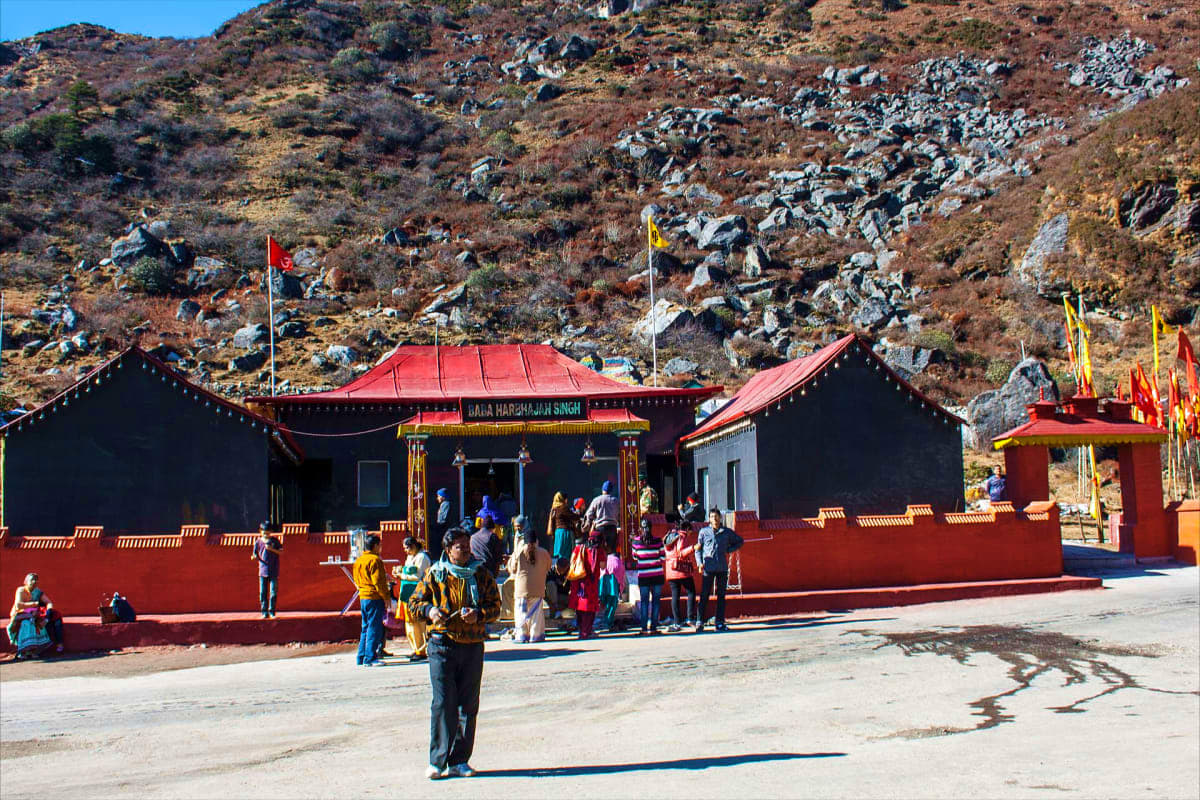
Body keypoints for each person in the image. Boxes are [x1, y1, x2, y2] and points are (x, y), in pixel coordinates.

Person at [408, 527, 502, 780]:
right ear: (448, 550)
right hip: (442, 645)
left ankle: (460, 760)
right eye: (460, 546)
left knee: (468, 704)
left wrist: (479, 615)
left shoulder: (481, 574)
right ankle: (437, 761)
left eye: (467, 545)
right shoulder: (435, 574)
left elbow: (495, 607)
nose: (466, 550)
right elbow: (414, 604)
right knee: (443, 703)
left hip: (472, 645)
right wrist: (430, 611)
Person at [695, 508, 744, 633]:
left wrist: (729, 550)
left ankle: (719, 622)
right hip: (708, 567)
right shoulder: (703, 532)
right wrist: (700, 563)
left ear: (720, 518)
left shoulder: (726, 532)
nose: (714, 519)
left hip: (722, 567)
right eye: (712, 517)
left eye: (716, 516)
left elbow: (740, 541)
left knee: (721, 596)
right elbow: (698, 549)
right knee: (704, 595)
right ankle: (700, 621)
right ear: (709, 519)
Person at [506, 524, 551, 643]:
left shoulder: (519, 552)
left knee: (521, 614)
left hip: (522, 590)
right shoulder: (544, 552)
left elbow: (512, 569)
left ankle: (521, 635)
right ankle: (535, 636)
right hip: (538, 588)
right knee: (536, 615)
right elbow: (548, 567)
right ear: (537, 540)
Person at [352, 534, 391, 667]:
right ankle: (370, 657)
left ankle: (361, 656)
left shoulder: (359, 560)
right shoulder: (375, 560)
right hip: (374, 597)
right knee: (374, 627)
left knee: (365, 627)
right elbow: (378, 582)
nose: (380, 548)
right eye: (379, 545)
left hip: (363, 596)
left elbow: (356, 579)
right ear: (375, 546)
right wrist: (386, 597)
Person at [395, 537, 433, 662]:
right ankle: (414, 648)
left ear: (414, 546)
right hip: (407, 593)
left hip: (418, 593)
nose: (406, 550)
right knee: (409, 623)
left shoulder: (422, 557)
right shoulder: (411, 557)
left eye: (407, 547)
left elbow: (418, 576)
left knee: (418, 623)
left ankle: (421, 649)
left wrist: (401, 575)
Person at [7, 573, 62, 656]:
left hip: (34, 615)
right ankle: (23, 650)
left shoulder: (38, 591)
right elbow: (18, 605)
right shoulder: (21, 590)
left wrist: (48, 612)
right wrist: (34, 604)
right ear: (25, 581)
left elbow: (49, 602)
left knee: (39, 624)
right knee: (26, 624)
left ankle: (34, 651)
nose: (34, 581)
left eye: (36, 580)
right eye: (32, 579)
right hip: (20, 615)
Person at [632, 518, 665, 635]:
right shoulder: (658, 541)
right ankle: (654, 627)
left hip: (644, 575)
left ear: (641, 529)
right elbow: (663, 558)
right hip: (657, 575)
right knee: (656, 602)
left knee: (644, 602)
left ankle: (644, 628)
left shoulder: (636, 542)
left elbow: (635, 557)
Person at [568, 532, 604, 639]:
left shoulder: (579, 549)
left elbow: (572, 562)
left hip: (578, 581)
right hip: (591, 583)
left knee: (580, 607)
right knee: (589, 609)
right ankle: (586, 632)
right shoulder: (599, 551)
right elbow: (603, 566)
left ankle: (581, 630)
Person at [664, 518, 698, 632]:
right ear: (687, 529)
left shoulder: (670, 536)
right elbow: (681, 552)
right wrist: (693, 548)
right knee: (691, 591)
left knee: (675, 595)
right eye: (690, 531)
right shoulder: (682, 537)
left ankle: (677, 622)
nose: (690, 534)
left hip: (670, 569)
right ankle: (690, 617)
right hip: (681, 569)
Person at [251, 521, 282, 619]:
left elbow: (281, 552)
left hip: (273, 570)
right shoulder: (258, 542)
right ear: (260, 532)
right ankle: (264, 612)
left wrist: (271, 549)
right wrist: (254, 557)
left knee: (273, 592)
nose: (266, 534)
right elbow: (254, 554)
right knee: (262, 593)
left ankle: (272, 611)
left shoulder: (275, 541)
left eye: (268, 532)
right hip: (262, 570)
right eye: (264, 532)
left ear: (271, 532)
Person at [584, 480, 620, 554]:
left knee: (600, 552)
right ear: (611, 490)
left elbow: (589, 514)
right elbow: (619, 514)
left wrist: (588, 525)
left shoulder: (597, 500)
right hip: (612, 528)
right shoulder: (616, 501)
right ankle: (611, 565)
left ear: (602, 489)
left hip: (600, 529)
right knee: (612, 551)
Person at [598, 539, 626, 632]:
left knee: (604, 603)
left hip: (604, 584)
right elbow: (621, 576)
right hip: (613, 585)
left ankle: (603, 622)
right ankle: (607, 622)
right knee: (612, 604)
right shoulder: (618, 561)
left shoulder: (604, 559)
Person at [547, 491, 581, 562]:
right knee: (567, 555)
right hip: (565, 533)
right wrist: (578, 511)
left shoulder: (553, 509)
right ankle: (566, 570)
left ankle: (561, 570)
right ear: (563, 499)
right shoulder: (563, 508)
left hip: (558, 533)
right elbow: (574, 517)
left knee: (561, 555)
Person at [433, 489, 452, 558]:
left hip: (444, 529)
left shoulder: (446, 504)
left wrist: (438, 526)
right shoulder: (443, 504)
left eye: (438, 496)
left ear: (443, 497)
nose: (437, 498)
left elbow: (444, 519)